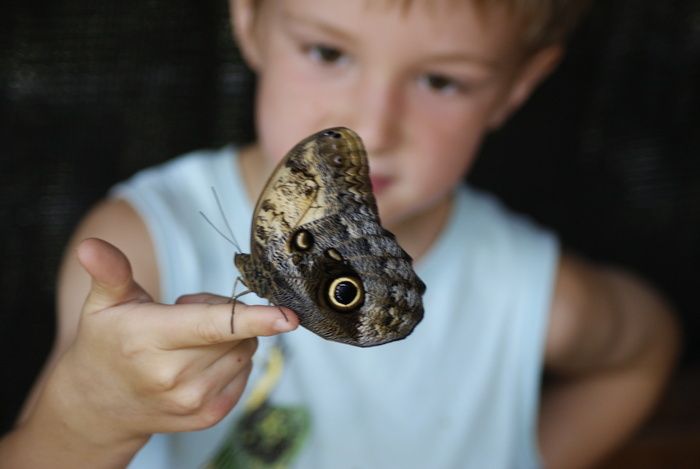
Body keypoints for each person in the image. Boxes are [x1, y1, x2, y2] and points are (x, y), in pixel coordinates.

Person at [0, 0, 680, 468]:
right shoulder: (144, 244)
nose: (377, 126)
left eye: (442, 81)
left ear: (517, 85)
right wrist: (89, 412)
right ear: (249, 18)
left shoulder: (525, 288)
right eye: (327, 51)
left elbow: (646, 346)